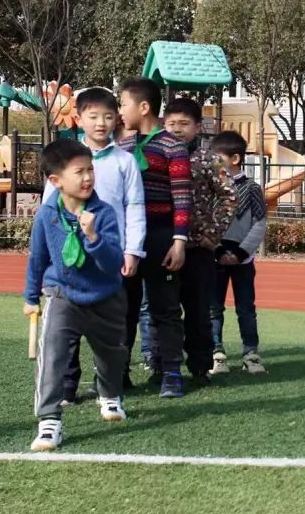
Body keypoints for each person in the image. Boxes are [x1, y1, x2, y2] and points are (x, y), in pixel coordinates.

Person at [43, 88, 146, 402]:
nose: (101, 123)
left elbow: (135, 207)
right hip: (72, 258)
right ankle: (66, 386)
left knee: (117, 323)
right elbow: (49, 209)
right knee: (68, 324)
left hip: (112, 256)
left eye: (108, 116)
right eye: (93, 116)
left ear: (117, 120)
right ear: (79, 118)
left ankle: (114, 380)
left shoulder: (125, 162)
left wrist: (133, 251)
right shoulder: (65, 161)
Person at [24, 140, 127, 451]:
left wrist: (93, 236)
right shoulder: (46, 215)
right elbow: (37, 257)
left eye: (90, 170)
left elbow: (113, 264)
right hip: (61, 294)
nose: (88, 178)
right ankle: (49, 421)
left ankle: (109, 396)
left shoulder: (104, 213)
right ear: (56, 180)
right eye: (79, 172)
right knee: (53, 355)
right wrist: (31, 296)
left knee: (110, 356)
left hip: (105, 296)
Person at [118, 78, 193, 398]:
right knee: (124, 308)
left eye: (123, 105)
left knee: (165, 308)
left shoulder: (172, 146)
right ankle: (118, 373)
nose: (119, 111)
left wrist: (179, 241)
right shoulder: (119, 146)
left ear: (143, 107)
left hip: (161, 234)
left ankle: (171, 373)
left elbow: (182, 197)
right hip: (126, 238)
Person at [161, 98, 237, 386]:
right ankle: (163, 366)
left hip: (198, 250)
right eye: (171, 124)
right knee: (163, 311)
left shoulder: (208, 160)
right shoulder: (157, 156)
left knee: (198, 311)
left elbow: (230, 196)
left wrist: (213, 234)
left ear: (197, 126)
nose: (177, 130)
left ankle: (200, 367)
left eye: (184, 124)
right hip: (163, 246)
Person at [208, 130, 269, 375]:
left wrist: (242, 253)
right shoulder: (211, 189)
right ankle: (217, 352)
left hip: (244, 260)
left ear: (235, 159)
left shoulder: (252, 188)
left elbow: (260, 223)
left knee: (246, 307)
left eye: (217, 158)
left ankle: (251, 354)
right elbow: (205, 222)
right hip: (214, 257)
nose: (213, 163)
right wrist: (218, 249)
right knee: (213, 308)